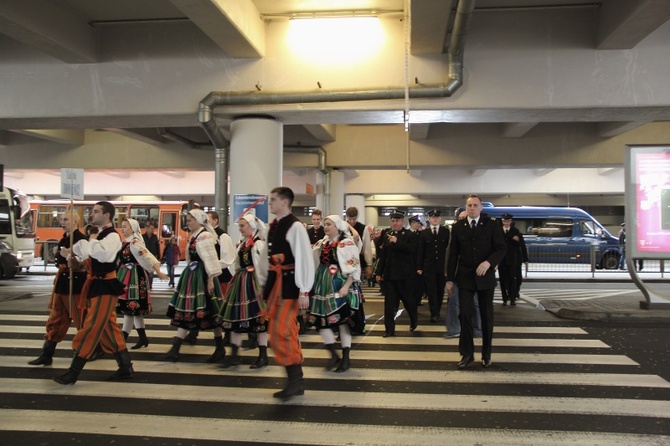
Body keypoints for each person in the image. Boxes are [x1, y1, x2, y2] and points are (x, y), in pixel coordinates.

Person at [53, 201, 131, 385]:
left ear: (107, 215)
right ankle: (126, 367)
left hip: (106, 286)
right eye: (92, 211)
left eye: (96, 211)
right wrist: (78, 264)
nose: (92, 214)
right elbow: (89, 260)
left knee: (92, 326)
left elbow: (104, 256)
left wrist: (91, 241)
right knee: (107, 327)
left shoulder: (111, 236)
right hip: (96, 285)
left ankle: (73, 372)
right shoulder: (99, 235)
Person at [264, 187, 314, 401]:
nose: (270, 203)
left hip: (290, 286)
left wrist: (304, 289)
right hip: (276, 284)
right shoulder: (274, 226)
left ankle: (296, 381)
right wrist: (262, 286)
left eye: (273, 200)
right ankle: (294, 380)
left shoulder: (295, 226)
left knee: (283, 330)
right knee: (277, 332)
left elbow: (304, 258)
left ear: (285, 202)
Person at [446, 195, 506, 369]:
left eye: (475, 205)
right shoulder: (458, 227)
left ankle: (486, 354)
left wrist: (489, 263)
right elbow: (453, 255)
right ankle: (467, 354)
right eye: (469, 205)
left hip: (485, 278)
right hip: (465, 278)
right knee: (464, 314)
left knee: (487, 317)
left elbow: (501, 248)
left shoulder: (492, 225)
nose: (472, 208)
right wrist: (449, 279)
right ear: (466, 208)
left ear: (481, 208)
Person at [164, 209, 225, 362]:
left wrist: (211, 279)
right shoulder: (196, 235)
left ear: (198, 220)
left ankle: (219, 348)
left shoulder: (204, 236)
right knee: (192, 309)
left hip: (202, 276)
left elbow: (211, 259)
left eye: (190, 219)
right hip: (194, 275)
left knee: (209, 311)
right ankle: (177, 347)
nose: (188, 222)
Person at [28, 209, 87, 366]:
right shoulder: (65, 238)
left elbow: (84, 262)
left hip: (74, 285)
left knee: (81, 319)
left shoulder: (81, 240)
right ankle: (47, 354)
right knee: (56, 320)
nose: (63, 222)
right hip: (62, 283)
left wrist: (67, 255)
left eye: (66, 219)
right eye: (62, 219)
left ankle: (87, 352)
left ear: (75, 222)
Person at [308, 214, 362, 372]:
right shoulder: (322, 242)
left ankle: (345, 357)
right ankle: (333, 354)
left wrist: (347, 286)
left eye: (329, 224)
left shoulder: (346, 243)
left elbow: (354, 265)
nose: (325, 227)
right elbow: (313, 258)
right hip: (322, 283)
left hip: (339, 283)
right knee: (321, 320)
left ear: (337, 226)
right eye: (325, 224)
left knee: (343, 321)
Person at [218, 213, 270, 369]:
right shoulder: (243, 243)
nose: (240, 228)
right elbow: (237, 264)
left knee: (259, 321)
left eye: (242, 225)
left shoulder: (258, 244)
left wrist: (262, 287)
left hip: (253, 283)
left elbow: (262, 268)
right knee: (236, 318)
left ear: (251, 226)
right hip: (241, 282)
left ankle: (263, 355)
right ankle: (234, 355)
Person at [117, 218, 168, 349]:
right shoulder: (125, 243)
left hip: (134, 276)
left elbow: (148, 257)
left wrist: (158, 272)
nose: (122, 229)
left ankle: (122, 340)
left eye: (124, 227)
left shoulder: (135, 243)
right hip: (127, 275)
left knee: (131, 309)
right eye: (122, 227)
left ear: (132, 229)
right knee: (134, 311)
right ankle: (142, 338)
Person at [374, 209, 419, 337]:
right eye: (393, 221)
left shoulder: (410, 235)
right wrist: (379, 272)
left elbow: (412, 250)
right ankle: (389, 329)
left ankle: (413, 319)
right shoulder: (387, 235)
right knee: (389, 304)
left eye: (397, 221)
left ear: (402, 222)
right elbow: (384, 255)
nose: (395, 223)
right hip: (390, 275)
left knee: (408, 301)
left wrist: (397, 242)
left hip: (405, 276)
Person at [445, 211, 482, 339]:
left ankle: (478, 329)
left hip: (476, 274)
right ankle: (453, 329)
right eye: (460, 218)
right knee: (454, 302)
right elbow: (451, 255)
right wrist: (449, 276)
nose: (463, 220)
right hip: (458, 274)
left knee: (476, 302)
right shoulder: (456, 231)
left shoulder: (479, 232)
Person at [417, 209, 450, 323]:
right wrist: (419, 267)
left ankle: (438, 309)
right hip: (429, 267)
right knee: (431, 291)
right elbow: (420, 251)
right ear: (429, 219)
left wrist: (448, 267)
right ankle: (433, 312)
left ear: (440, 219)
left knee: (440, 290)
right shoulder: (424, 233)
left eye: (437, 217)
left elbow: (449, 251)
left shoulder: (446, 232)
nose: (435, 219)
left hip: (441, 267)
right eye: (432, 217)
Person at [498, 213, 524, 306]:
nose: (506, 223)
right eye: (504, 221)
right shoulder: (498, 230)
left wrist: (516, 239)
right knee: (502, 279)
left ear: (511, 222)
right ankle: (504, 298)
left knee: (512, 279)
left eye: (508, 221)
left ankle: (512, 298)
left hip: (512, 259)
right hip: (501, 259)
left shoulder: (515, 230)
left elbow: (520, 243)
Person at [408, 215, 426, 308]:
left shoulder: (421, 234)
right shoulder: (407, 234)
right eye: (416, 223)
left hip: (419, 262)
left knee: (420, 283)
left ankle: (417, 299)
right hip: (409, 262)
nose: (418, 225)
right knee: (410, 284)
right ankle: (411, 300)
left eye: (419, 223)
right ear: (411, 223)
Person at [142, 223, 160, 289]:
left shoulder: (155, 237)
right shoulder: (142, 237)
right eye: (151, 228)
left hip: (152, 257)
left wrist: (158, 256)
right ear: (147, 229)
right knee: (145, 272)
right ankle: (145, 284)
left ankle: (150, 285)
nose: (152, 230)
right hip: (144, 257)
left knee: (151, 273)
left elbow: (157, 247)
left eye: (153, 229)